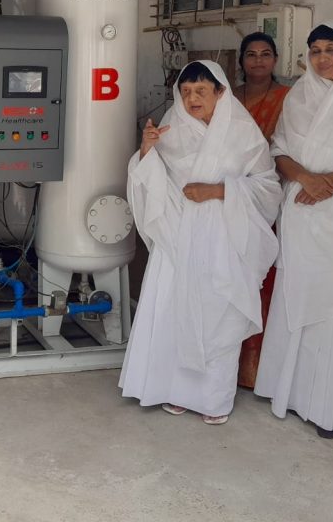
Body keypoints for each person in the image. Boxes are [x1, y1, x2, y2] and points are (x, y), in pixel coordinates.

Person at [119, 61, 281, 424]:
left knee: (219, 313)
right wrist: (146, 149)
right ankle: (174, 391)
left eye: (201, 91)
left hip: (225, 234)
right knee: (173, 310)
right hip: (178, 235)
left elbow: (268, 186)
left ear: (220, 92)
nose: (192, 99)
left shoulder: (243, 132)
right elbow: (151, 180)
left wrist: (219, 191)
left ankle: (213, 400)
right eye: (186, 91)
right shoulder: (170, 129)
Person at [254, 20, 333, 437]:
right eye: (315, 51)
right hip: (301, 212)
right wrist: (306, 178)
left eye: (332, 49)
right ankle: (293, 395)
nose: (323, 58)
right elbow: (279, 149)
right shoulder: (300, 94)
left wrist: (328, 181)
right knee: (298, 296)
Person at [232, 32, 291, 390]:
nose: (258, 61)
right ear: (241, 60)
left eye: (265, 54)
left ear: (275, 60)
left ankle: (257, 370)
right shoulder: (228, 97)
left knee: (264, 277)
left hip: (269, 193)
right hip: (229, 193)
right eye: (251, 54)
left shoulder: (288, 98)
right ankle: (229, 362)